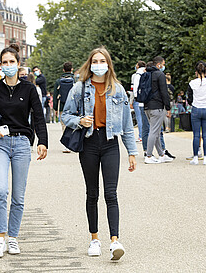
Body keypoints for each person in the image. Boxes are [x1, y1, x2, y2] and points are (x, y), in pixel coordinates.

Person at [61, 46, 137, 261]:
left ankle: (115, 241)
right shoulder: (80, 88)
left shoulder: (118, 90)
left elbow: (127, 125)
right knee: (92, 192)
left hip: (110, 143)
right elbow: (65, 115)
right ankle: (94, 238)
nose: (99, 65)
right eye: (95, 61)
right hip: (89, 143)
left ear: (108, 64)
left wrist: (132, 152)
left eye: (103, 61)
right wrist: (79, 121)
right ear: (90, 64)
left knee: (111, 193)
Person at [0, 44, 48, 259]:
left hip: (21, 144)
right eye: (4, 62)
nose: (8, 65)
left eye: (12, 62)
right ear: (1, 65)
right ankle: (0, 238)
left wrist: (42, 141)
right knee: (0, 190)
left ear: (19, 65)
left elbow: (38, 116)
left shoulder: (29, 89)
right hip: (0, 143)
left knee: (18, 196)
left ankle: (13, 237)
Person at [143, 57, 173, 164]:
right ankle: (149, 155)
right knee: (154, 131)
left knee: (155, 130)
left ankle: (161, 154)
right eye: (163, 64)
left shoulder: (146, 74)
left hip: (147, 106)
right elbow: (164, 92)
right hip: (157, 107)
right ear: (159, 64)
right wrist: (168, 107)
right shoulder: (160, 75)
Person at [186, 61, 206, 165]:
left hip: (196, 108)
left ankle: (195, 157)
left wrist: (193, 103)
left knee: (196, 134)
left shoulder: (192, 83)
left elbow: (189, 98)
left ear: (196, 72)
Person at [53, 61, 75, 152]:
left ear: (63, 69)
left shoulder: (58, 81)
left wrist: (55, 108)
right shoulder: (75, 81)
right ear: (72, 69)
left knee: (64, 125)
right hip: (73, 106)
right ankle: (74, 143)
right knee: (73, 124)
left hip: (62, 106)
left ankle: (67, 145)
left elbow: (55, 96)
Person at [131, 61, 145, 142]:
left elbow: (133, 89)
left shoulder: (135, 75)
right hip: (146, 99)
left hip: (137, 99)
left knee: (139, 118)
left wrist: (131, 101)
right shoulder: (147, 73)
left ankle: (141, 136)